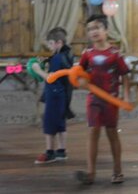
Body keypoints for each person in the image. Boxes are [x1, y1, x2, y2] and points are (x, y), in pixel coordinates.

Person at [75, 14, 130, 185]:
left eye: (97, 27)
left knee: (112, 133)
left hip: (111, 100)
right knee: (93, 132)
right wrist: (80, 80)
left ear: (106, 30)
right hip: (94, 100)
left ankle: (117, 171)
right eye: (90, 29)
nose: (94, 31)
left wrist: (126, 96)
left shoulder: (115, 53)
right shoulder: (87, 54)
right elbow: (77, 74)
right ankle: (90, 172)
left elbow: (125, 75)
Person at [32, 27, 74, 164]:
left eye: (50, 43)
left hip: (54, 94)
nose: (49, 46)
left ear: (59, 43)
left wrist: (38, 70)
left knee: (48, 123)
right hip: (62, 94)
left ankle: (50, 152)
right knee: (61, 123)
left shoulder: (57, 57)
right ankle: (61, 151)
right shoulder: (66, 55)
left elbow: (50, 77)